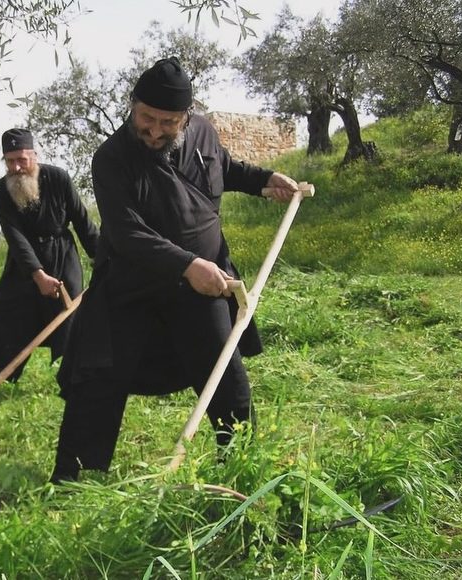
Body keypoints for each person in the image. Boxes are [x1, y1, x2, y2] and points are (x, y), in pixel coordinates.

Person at [50, 57, 301, 483]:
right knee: (97, 382)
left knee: (226, 381)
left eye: (167, 122)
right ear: (133, 106)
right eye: (146, 118)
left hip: (202, 288)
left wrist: (263, 180)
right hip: (131, 287)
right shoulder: (111, 158)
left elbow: (222, 167)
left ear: (186, 117)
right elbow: (127, 232)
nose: (154, 130)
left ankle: (240, 470)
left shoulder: (203, 131)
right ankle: (76, 482)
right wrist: (186, 264)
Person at [0, 128, 100, 393]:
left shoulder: (58, 178)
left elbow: (82, 221)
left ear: (34, 156)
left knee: (72, 322)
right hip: (24, 265)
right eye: (10, 161)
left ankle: (77, 384)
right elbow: (15, 237)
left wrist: (103, 258)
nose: (17, 167)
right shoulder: (0, 192)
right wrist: (38, 275)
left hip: (62, 258)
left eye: (22, 159)